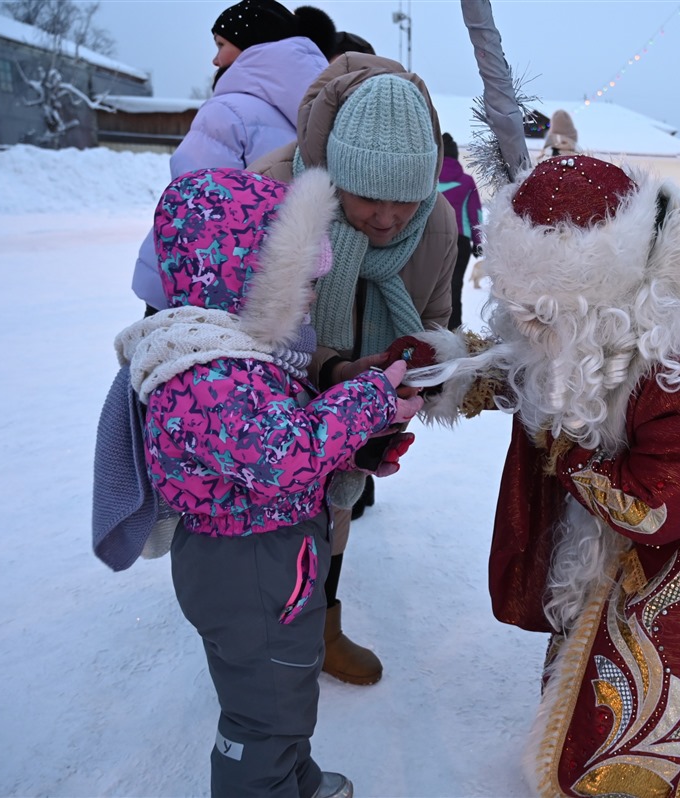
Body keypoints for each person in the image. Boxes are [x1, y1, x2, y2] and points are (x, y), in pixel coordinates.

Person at [407, 155, 680, 795]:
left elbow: (649, 508)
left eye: (545, 313)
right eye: (520, 307)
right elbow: (551, 366)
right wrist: (465, 369)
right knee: (615, 603)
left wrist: (555, 440)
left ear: (602, 289)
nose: (528, 327)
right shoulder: (605, 311)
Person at [115, 166, 422, 798]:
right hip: (247, 564)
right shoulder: (202, 376)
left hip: (271, 551)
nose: (312, 291)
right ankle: (262, 784)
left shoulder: (242, 359)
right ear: (245, 277)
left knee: (283, 686)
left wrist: (357, 448)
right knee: (264, 708)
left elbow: (287, 439)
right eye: (300, 280)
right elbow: (280, 454)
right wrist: (365, 399)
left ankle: (290, 775)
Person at [249, 53, 458, 685]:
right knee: (271, 519)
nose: (390, 218)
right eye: (369, 196)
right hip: (274, 404)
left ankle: (321, 627)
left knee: (337, 509)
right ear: (335, 169)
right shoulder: (275, 193)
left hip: (365, 401)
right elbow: (246, 335)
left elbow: (436, 317)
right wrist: (334, 368)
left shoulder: (439, 222)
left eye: (407, 198)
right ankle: (257, 641)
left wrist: (422, 373)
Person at [130, 0, 335, 313]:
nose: (215, 59)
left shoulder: (226, 112)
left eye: (221, 44)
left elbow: (194, 203)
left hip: (193, 281)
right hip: (276, 285)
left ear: (252, 44)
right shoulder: (316, 109)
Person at [438, 132, 484, 330]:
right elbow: (476, 214)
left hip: (431, 240)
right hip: (460, 241)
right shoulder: (466, 182)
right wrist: (478, 241)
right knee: (455, 287)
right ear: (456, 156)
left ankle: (428, 330)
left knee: (431, 287)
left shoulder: (429, 180)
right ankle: (454, 330)